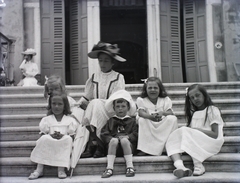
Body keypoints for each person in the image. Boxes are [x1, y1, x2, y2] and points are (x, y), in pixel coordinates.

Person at [166, 84, 224, 178]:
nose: (195, 99)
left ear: (204, 95)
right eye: (192, 98)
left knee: (184, 130)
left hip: (211, 142)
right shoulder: (195, 114)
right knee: (173, 137)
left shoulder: (212, 110)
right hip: (198, 141)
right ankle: (180, 167)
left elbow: (215, 135)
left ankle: (198, 165)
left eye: (197, 95)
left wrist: (196, 130)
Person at [79, 41, 126, 158]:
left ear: (112, 62)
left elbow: (118, 98)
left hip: (112, 110)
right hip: (95, 109)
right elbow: (86, 97)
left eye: (106, 60)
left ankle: (95, 144)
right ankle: (97, 145)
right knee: (91, 106)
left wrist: (92, 104)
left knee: (95, 103)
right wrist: (79, 104)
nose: (103, 63)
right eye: (101, 60)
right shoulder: (94, 77)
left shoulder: (118, 77)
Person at [28, 93, 79, 179]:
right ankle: (39, 169)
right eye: (54, 104)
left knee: (68, 139)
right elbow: (43, 134)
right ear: (50, 105)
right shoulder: (46, 120)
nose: (56, 107)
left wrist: (62, 136)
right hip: (50, 141)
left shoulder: (70, 120)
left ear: (65, 106)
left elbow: (72, 136)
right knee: (44, 138)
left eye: (60, 104)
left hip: (63, 142)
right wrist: (51, 135)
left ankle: (61, 169)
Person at [136, 77, 178, 156]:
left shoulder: (165, 99)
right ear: (146, 89)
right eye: (150, 88)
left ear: (160, 89)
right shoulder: (141, 100)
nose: (153, 90)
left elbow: (170, 112)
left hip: (161, 122)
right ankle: (146, 149)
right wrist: (150, 117)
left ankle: (167, 147)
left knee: (172, 119)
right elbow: (141, 113)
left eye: (155, 88)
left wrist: (162, 113)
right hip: (149, 122)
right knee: (142, 120)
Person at [100, 90, 138, 178]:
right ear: (114, 108)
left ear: (128, 108)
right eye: (117, 106)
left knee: (124, 140)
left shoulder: (132, 121)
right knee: (113, 141)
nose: (120, 108)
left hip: (128, 148)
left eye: (123, 106)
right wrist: (112, 139)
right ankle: (109, 168)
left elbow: (136, 134)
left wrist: (128, 137)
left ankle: (130, 166)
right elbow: (104, 133)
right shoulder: (111, 121)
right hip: (113, 149)